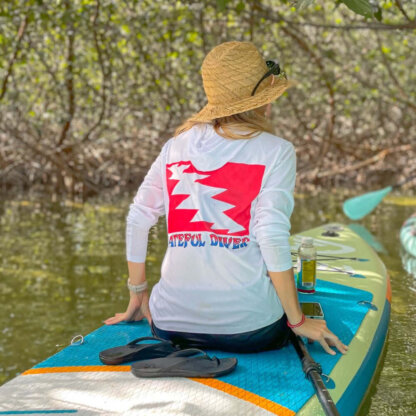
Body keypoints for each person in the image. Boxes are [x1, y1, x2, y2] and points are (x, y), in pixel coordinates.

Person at [105, 41, 348, 356]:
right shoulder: (276, 150)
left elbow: (138, 218)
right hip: (249, 330)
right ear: (264, 97)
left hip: (168, 325)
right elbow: (270, 234)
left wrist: (138, 294)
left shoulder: (174, 147)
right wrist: (297, 320)